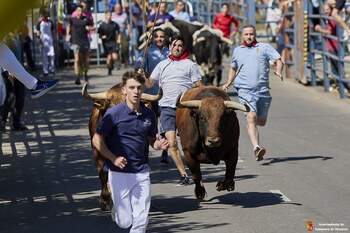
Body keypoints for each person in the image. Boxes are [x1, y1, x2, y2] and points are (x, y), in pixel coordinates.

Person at [92, 70, 169, 232]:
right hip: (118, 172)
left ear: (143, 89)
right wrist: (113, 158)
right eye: (132, 87)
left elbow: (152, 141)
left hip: (141, 171)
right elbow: (96, 139)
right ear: (124, 90)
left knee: (141, 220)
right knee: (125, 221)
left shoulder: (149, 114)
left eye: (139, 88)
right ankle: (119, 212)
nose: (136, 91)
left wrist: (159, 145)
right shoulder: (113, 113)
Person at [141, 35, 203, 186]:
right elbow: (149, 84)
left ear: (184, 48)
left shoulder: (190, 65)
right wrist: (142, 76)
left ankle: (197, 173)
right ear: (169, 47)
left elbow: (200, 87)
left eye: (180, 45)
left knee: (189, 144)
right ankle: (184, 175)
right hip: (166, 107)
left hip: (185, 108)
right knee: (172, 142)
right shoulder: (162, 65)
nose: (177, 48)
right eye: (174, 45)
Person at [223, 24, 284, 161]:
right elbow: (233, 68)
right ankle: (256, 148)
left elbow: (278, 60)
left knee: (260, 121)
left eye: (251, 34)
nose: (249, 37)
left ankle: (255, 127)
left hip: (262, 91)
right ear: (242, 36)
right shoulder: (237, 51)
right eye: (246, 34)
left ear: (255, 35)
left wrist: (279, 70)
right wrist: (228, 83)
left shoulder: (264, 48)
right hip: (244, 90)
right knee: (251, 117)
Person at [135, 28, 171, 164]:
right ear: (152, 38)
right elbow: (137, 69)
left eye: (162, 37)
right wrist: (140, 71)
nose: (159, 39)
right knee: (148, 124)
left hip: (166, 94)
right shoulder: (146, 52)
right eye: (156, 37)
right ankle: (145, 150)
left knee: (165, 124)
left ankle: (165, 151)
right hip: (149, 94)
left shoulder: (169, 53)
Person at [66, 4, 94, 85]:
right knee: (77, 59)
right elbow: (69, 27)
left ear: (83, 12)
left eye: (81, 11)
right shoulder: (72, 19)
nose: (80, 12)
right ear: (76, 11)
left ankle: (85, 73)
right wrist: (68, 36)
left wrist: (89, 28)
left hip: (85, 41)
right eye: (78, 11)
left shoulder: (87, 19)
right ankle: (77, 76)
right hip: (76, 41)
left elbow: (93, 27)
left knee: (86, 59)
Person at [315, 3, 340, 86]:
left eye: (327, 9)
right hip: (331, 45)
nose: (325, 11)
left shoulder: (332, 18)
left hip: (334, 45)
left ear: (331, 9)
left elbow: (329, 32)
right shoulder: (330, 18)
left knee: (335, 67)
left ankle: (339, 85)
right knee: (334, 67)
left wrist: (319, 29)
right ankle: (338, 85)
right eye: (324, 10)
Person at [98, 10, 121, 76]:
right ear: (105, 15)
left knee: (115, 57)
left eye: (110, 15)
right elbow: (99, 35)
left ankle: (112, 64)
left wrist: (119, 39)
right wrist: (102, 36)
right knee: (109, 58)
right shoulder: (102, 25)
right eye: (108, 15)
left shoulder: (114, 24)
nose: (109, 16)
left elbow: (119, 32)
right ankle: (109, 70)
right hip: (106, 43)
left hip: (113, 42)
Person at [36, 7, 55, 77]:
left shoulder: (50, 22)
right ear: (43, 13)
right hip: (43, 41)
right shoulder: (40, 23)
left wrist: (54, 40)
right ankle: (45, 70)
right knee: (44, 57)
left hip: (50, 41)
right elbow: (38, 33)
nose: (48, 14)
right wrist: (40, 42)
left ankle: (52, 69)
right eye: (46, 13)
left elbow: (52, 32)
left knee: (52, 55)